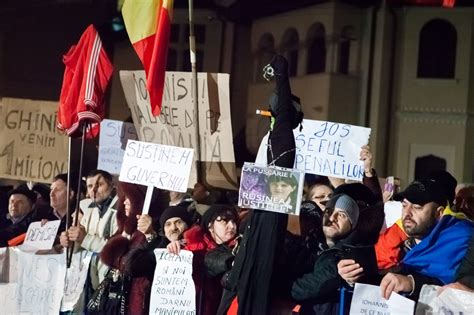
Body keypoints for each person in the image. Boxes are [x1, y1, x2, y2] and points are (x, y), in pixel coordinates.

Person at [291, 194, 363, 314]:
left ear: (352, 224)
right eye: (328, 211)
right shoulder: (306, 245)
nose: (332, 218)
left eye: (341, 215)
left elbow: (305, 288)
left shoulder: (355, 253)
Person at [99, 182, 164, 315]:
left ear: (139, 202)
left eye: (129, 198)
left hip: (139, 301)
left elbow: (146, 263)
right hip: (118, 302)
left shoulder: (156, 229)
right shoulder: (125, 230)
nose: (124, 202)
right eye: (123, 197)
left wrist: (150, 235)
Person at [167, 204, 239, 315]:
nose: (232, 226)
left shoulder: (238, 249)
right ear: (210, 225)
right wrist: (172, 248)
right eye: (224, 221)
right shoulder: (189, 246)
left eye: (234, 222)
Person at [60, 169, 119, 290]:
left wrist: (85, 238)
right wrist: (70, 242)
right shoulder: (90, 210)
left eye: (99, 185)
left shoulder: (120, 210)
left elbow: (116, 249)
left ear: (112, 185)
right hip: (90, 280)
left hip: (110, 281)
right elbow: (79, 247)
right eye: (90, 186)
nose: (94, 190)